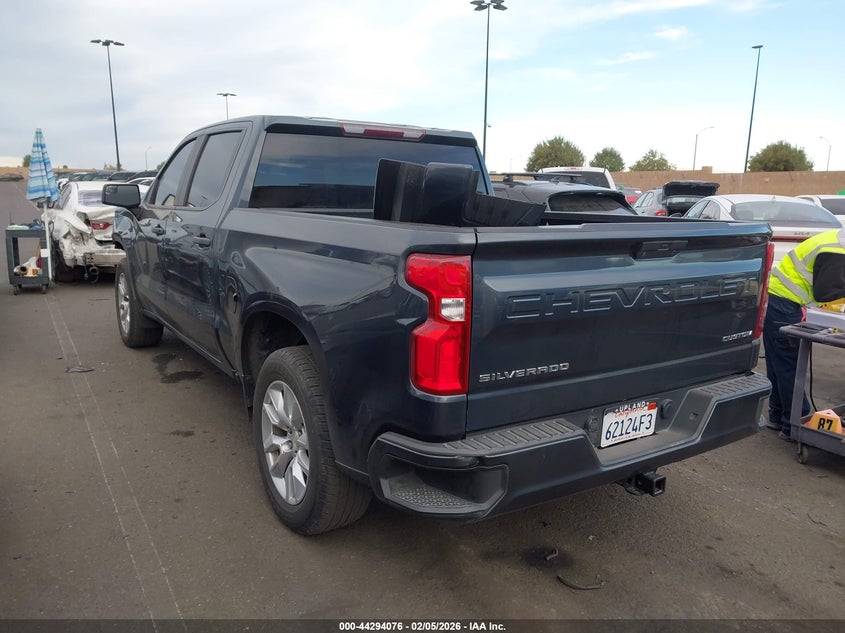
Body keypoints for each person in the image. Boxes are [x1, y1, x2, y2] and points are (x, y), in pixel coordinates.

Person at [763, 228, 845, 440]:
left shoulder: (835, 240)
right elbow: (825, 292)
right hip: (786, 305)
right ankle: (796, 425)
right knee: (790, 366)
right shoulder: (836, 251)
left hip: (776, 299)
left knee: (778, 365)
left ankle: (779, 417)